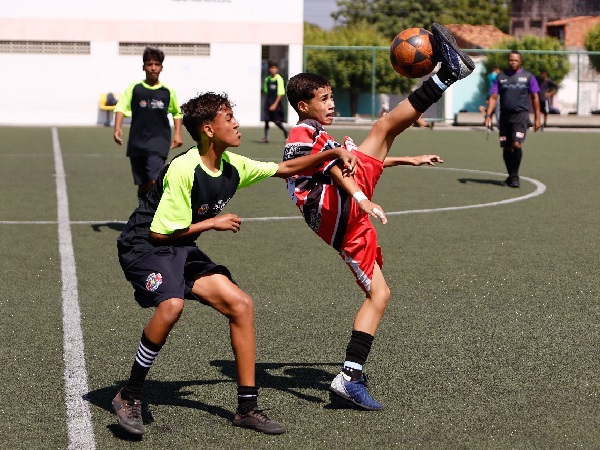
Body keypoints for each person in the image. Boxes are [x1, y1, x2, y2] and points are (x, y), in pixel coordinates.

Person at [112, 92, 358, 436]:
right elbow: (158, 234)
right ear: (209, 129)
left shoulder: (232, 165)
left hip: (179, 243)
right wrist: (212, 223)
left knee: (241, 305)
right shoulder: (185, 169)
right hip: (144, 246)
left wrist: (331, 153)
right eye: (229, 118)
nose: (237, 123)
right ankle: (129, 394)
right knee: (171, 305)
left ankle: (247, 408)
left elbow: (284, 168)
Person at [282, 23, 474, 410]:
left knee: (380, 294)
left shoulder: (319, 132)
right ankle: (448, 74)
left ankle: (350, 376)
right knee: (384, 127)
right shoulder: (301, 132)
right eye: (324, 98)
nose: (331, 103)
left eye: (332, 96)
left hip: (347, 212)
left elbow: (356, 159)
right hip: (337, 209)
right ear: (304, 106)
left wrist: (407, 160)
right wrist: (360, 196)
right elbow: (328, 167)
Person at [113, 46, 184, 201]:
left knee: (155, 180)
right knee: (143, 184)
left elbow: (177, 112)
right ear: (143, 66)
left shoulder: (167, 91)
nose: (153, 68)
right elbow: (121, 107)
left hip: (159, 142)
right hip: (137, 142)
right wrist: (117, 127)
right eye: (149, 64)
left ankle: (153, 217)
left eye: (156, 65)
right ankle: (143, 213)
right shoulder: (135, 88)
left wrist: (178, 133)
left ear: (161, 68)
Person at [484, 50, 541, 188]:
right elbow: (493, 97)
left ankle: (515, 176)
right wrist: (488, 115)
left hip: (520, 116)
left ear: (520, 61)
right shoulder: (500, 77)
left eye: (515, 60)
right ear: (508, 61)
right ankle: (511, 176)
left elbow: (535, 97)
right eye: (511, 60)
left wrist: (538, 117)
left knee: (516, 144)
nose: (513, 62)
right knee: (506, 147)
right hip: (504, 116)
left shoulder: (528, 77)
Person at [260, 61, 288, 143]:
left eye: (274, 68)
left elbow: (280, 93)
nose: (273, 69)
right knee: (266, 120)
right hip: (268, 101)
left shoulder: (279, 79)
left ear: (277, 69)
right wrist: (267, 103)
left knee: (276, 121)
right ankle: (266, 137)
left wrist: (275, 104)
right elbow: (266, 91)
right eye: (271, 68)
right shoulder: (267, 79)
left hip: (276, 103)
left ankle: (285, 132)